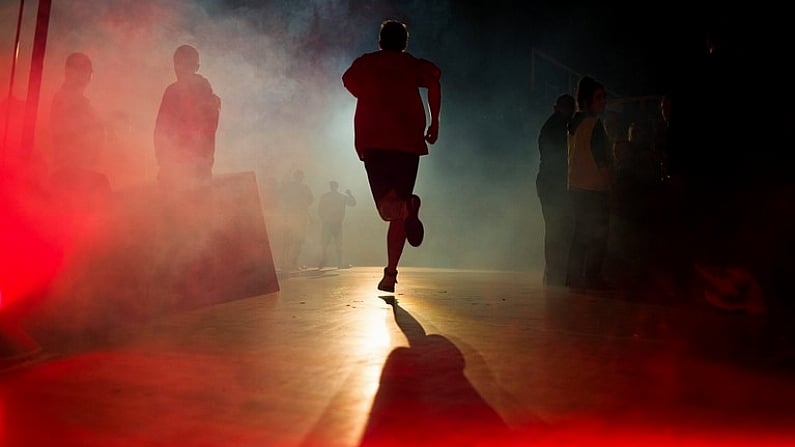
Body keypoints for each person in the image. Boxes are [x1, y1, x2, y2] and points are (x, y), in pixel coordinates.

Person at [342, 19, 441, 293]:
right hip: (409, 145)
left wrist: (369, 95)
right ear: (404, 43)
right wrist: (435, 123)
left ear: (380, 41)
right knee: (398, 213)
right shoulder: (412, 65)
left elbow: (347, 81)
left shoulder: (367, 63)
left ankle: (407, 209)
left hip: (375, 143)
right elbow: (434, 82)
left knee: (390, 210)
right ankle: (390, 274)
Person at [566, 76, 612, 291]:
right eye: (598, 98)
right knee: (597, 235)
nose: (603, 102)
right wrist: (610, 186)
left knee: (579, 235)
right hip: (594, 188)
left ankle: (574, 278)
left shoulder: (574, 124)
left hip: (575, 187)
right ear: (586, 101)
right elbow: (601, 160)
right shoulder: (595, 125)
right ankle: (592, 277)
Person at [154, 44, 221, 191]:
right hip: (178, 169)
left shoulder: (201, 92)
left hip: (195, 168)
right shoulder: (173, 92)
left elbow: (208, 131)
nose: (179, 70)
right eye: (177, 65)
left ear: (196, 67)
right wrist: (165, 163)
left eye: (185, 65)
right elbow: (161, 130)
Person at [48, 52, 110, 207]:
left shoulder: (77, 101)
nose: (88, 75)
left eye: (89, 71)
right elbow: (70, 135)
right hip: (70, 173)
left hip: (77, 170)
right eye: (84, 70)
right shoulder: (65, 100)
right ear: (70, 71)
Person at [536, 94, 575, 286]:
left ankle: (553, 272)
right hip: (554, 182)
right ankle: (555, 272)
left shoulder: (551, 125)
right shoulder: (560, 127)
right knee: (558, 227)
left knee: (554, 227)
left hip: (548, 181)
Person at [278, 169, 314, 273]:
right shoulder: (303, 187)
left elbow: (310, 199)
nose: (299, 178)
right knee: (292, 240)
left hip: (295, 215)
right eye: (299, 176)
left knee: (293, 240)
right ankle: (289, 263)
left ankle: (290, 263)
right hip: (295, 215)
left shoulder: (296, 187)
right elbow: (310, 199)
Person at [317, 180, 356, 269]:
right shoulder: (341, 197)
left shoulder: (326, 196)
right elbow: (353, 203)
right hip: (335, 223)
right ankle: (338, 263)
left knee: (326, 243)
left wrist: (323, 218)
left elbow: (320, 209)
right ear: (337, 187)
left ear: (330, 187)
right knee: (337, 243)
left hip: (329, 223)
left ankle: (324, 262)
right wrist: (350, 194)